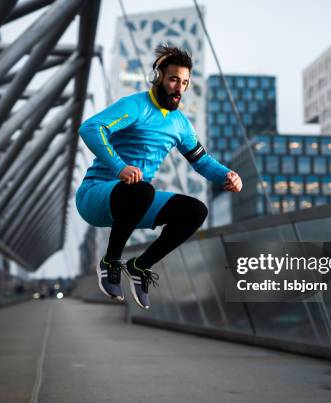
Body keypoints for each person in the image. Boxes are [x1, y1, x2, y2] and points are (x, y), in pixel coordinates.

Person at [76, 44, 242, 310]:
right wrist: (120, 167)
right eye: (174, 79)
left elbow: (202, 162)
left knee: (195, 211)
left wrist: (228, 175)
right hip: (96, 195)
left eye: (185, 82)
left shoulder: (180, 124)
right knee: (142, 189)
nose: (179, 88)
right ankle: (110, 262)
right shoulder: (135, 106)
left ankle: (140, 266)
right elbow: (90, 128)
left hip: (135, 202)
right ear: (158, 77)